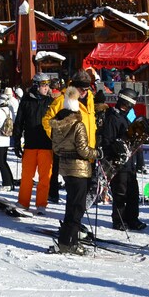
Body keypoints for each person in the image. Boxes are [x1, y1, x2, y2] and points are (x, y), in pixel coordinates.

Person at [50, 87, 100, 255]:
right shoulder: (78, 125)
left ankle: (65, 240)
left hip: (65, 167)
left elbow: (56, 148)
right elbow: (84, 150)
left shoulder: (57, 124)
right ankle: (70, 243)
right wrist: (97, 153)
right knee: (77, 208)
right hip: (79, 168)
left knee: (71, 206)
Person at [100, 87, 145, 231]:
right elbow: (107, 141)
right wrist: (116, 150)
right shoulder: (113, 118)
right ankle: (119, 220)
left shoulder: (124, 117)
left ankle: (133, 219)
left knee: (133, 191)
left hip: (129, 161)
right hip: (118, 163)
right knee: (120, 192)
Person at [14, 73, 54, 213]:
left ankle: (41, 203)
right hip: (30, 144)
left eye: (47, 85)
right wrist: (17, 141)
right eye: (43, 85)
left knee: (45, 176)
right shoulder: (26, 101)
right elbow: (18, 122)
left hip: (46, 145)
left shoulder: (50, 102)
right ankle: (23, 202)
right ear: (36, 86)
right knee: (26, 176)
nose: (46, 88)